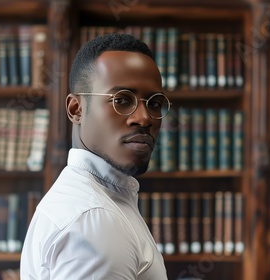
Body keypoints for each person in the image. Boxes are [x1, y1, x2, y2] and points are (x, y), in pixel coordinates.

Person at [20, 33, 170, 280]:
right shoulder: (94, 218)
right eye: (122, 100)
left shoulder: (95, 201)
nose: (144, 118)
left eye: (154, 104)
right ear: (76, 109)